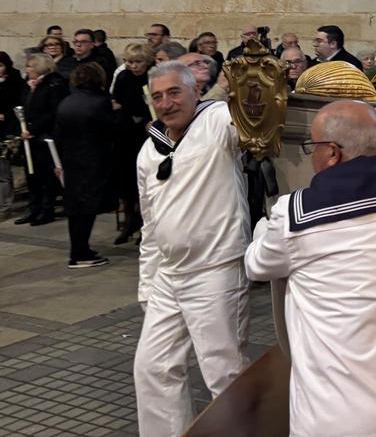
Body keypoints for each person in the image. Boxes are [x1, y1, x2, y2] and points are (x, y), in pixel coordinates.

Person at [244, 96, 376, 437]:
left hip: (337, 417)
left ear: (331, 151)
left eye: (311, 146)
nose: (310, 154)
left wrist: (261, 231)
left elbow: (257, 267)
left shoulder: (294, 216)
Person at [133, 61, 250, 437]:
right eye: (157, 97)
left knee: (224, 373)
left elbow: (255, 119)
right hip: (167, 277)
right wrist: (147, 285)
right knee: (153, 368)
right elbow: (149, 226)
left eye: (174, 92)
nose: (166, 103)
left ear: (195, 91)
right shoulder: (149, 151)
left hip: (216, 270)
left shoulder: (218, 122)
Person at [54, 62, 117, 268]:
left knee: (76, 208)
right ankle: (80, 253)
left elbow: (59, 135)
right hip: (92, 161)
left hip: (71, 161)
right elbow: (109, 132)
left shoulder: (66, 102)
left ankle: (79, 248)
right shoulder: (100, 102)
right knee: (87, 209)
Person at [19, 53, 69, 226]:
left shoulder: (54, 84)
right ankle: (34, 208)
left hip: (45, 136)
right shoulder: (29, 85)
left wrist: (33, 129)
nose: (27, 70)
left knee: (46, 175)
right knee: (32, 175)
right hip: (29, 136)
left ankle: (47, 210)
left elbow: (53, 112)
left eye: (30, 66)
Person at [112, 43, 154, 245]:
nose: (134, 66)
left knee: (143, 183)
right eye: (129, 62)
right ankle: (129, 222)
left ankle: (144, 224)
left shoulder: (152, 78)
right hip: (126, 133)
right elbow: (117, 102)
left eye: (138, 62)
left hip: (144, 134)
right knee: (126, 182)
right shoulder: (123, 77)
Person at [0, 51, 28, 221]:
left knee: (3, 173)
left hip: (6, 132)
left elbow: (17, 106)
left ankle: (5, 207)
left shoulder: (15, 82)